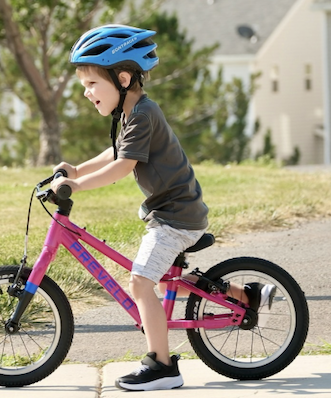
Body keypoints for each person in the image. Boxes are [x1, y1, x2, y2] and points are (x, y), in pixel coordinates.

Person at [54, 24, 276, 391]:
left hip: (176, 216)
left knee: (140, 282)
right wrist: (77, 170)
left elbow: (122, 165)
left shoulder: (143, 114)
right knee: (161, 282)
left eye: (91, 83)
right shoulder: (134, 112)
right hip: (174, 212)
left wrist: (77, 185)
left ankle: (161, 366)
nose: (85, 91)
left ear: (122, 78)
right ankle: (245, 295)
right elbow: (117, 151)